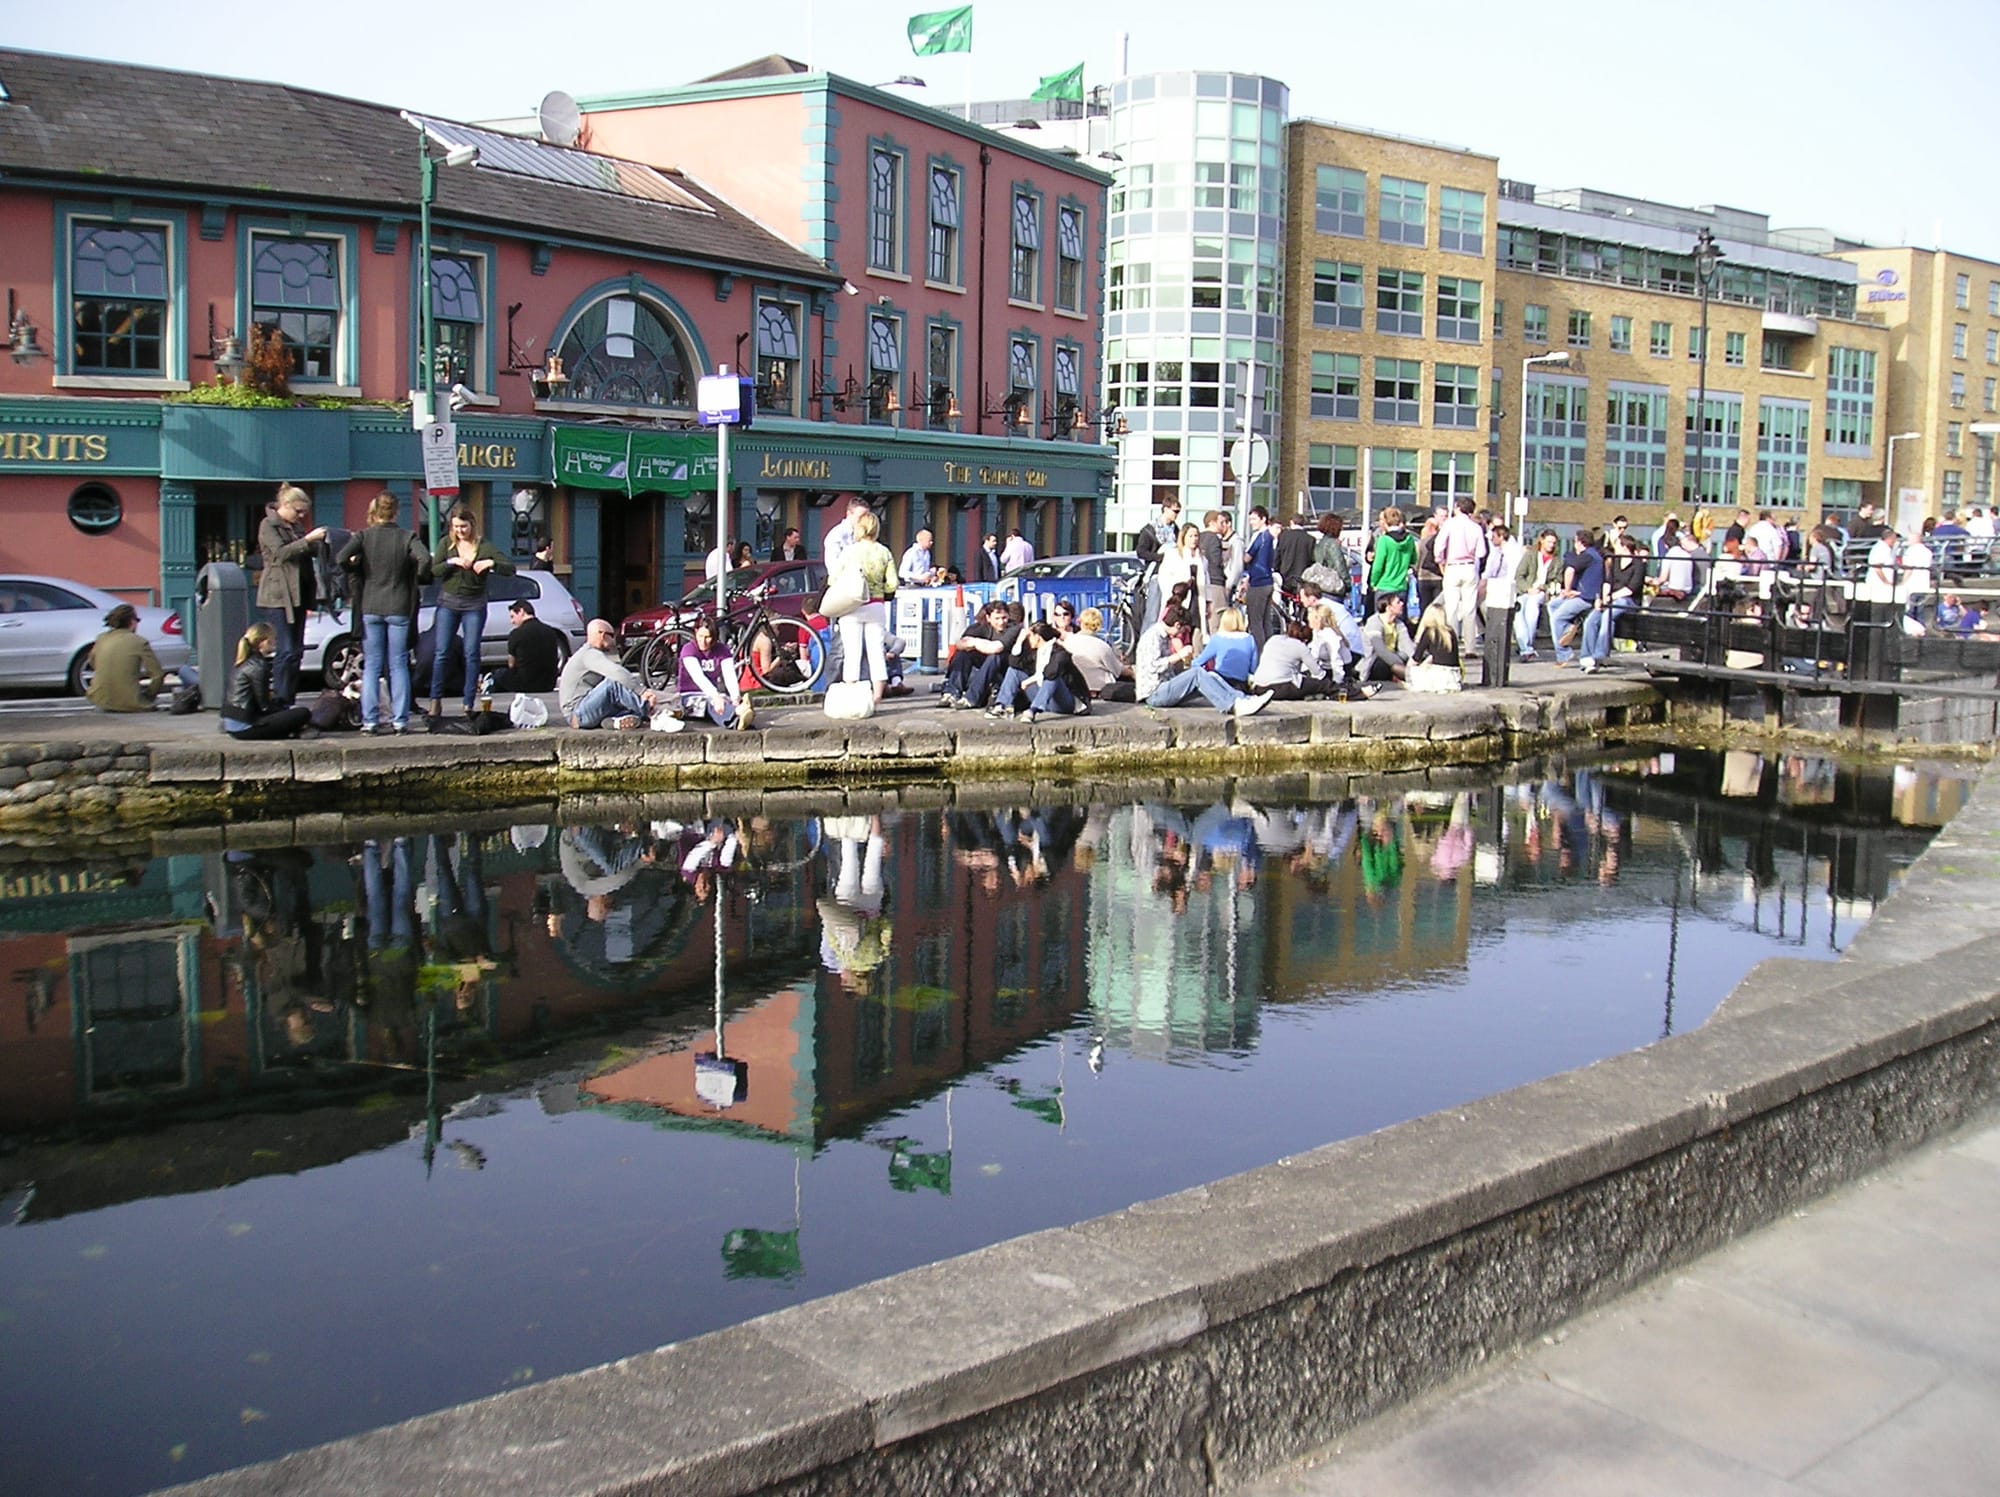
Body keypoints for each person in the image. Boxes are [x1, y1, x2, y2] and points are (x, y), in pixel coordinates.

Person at [337, 492, 432, 734]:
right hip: (399, 604)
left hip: (371, 603)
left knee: (372, 666)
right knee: (398, 663)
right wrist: (417, 576)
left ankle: (370, 720)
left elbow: (340, 558)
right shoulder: (406, 536)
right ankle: (400, 720)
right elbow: (423, 559)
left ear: (374, 511)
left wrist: (356, 565)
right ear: (396, 512)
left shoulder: (364, 536)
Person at [429, 507, 513, 718]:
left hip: (474, 604)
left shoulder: (484, 546)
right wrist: (452, 562)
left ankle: (468, 703)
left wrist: (491, 563)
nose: (460, 531)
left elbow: (509, 568)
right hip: (448, 602)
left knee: (471, 653)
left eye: (463, 527)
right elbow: (433, 570)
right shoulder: (445, 545)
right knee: (441, 652)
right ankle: (435, 700)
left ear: (472, 525)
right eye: (456, 527)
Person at [255, 483, 329, 706]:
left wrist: (328, 541)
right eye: (298, 511)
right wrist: (307, 540)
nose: (301, 516)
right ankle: (280, 700)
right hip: (278, 596)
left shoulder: (294, 527)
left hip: (298, 595)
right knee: (285, 650)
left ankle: (290, 699)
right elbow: (280, 553)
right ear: (284, 505)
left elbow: (307, 551)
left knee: (296, 652)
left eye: (304, 512)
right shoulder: (269, 525)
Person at [1136, 602, 1272, 716]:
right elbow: (1152, 667)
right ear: (1177, 625)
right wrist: (1179, 656)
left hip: (1164, 686)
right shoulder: (1152, 637)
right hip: (1154, 693)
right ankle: (1233, 706)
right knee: (1197, 674)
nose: (1181, 635)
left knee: (1210, 675)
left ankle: (1244, 699)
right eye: (1183, 631)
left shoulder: (1163, 637)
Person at [830, 508, 897, 707]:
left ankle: (852, 695)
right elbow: (892, 583)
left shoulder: (849, 551)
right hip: (876, 606)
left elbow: (834, 578)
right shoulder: (884, 552)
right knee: (876, 651)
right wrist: (882, 591)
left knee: (852, 651)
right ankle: (876, 697)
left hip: (852, 605)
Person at [558, 618, 658, 729]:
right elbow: (617, 672)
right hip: (577, 713)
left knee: (625, 700)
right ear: (602, 635)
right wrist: (641, 692)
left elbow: (622, 682)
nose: (613, 640)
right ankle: (652, 712)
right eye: (612, 636)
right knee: (613, 684)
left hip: (583, 712)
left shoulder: (594, 654)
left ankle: (612, 722)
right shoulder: (589, 654)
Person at [223, 621, 314, 739]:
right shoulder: (259, 666)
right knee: (303, 713)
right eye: (273, 639)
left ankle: (288, 731)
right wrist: (284, 710)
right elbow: (264, 706)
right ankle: (290, 731)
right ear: (263, 642)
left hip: (234, 722)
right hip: (246, 726)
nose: (275, 642)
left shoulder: (243, 662)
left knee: (286, 709)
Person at [1582, 532, 1647, 673]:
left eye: (1617, 545)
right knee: (1591, 620)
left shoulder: (1638, 565)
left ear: (1624, 547)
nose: (1614, 547)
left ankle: (1599, 655)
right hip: (1612, 599)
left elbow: (1631, 589)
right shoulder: (1615, 562)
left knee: (1608, 616)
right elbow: (1607, 581)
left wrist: (1611, 598)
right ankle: (1587, 657)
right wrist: (1603, 598)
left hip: (1628, 601)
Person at [85, 603, 166, 712]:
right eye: (137, 620)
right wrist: (149, 696)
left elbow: (93, 663)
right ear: (132, 622)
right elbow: (157, 675)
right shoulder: (139, 642)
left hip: (100, 699)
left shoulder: (101, 639)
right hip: (131, 703)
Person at [677, 616, 751, 729]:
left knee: (725, 700)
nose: (703, 641)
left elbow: (729, 675)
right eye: (700, 636)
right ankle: (736, 718)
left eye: (707, 637)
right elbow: (698, 677)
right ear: (696, 632)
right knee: (710, 704)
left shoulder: (722, 650)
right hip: (689, 695)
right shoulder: (688, 649)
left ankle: (739, 711)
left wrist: (735, 698)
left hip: (711, 694)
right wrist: (715, 696)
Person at [939, 599, 1016, 709]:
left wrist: (975, 642)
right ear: (988, 618)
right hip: (985, 668)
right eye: (997, 619)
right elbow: (960, 644)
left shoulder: (1013, 628)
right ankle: (952, 693)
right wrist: (981, 645)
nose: (1001, 622)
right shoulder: (980, 627)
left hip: (1005, 670)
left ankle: (971, 698)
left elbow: (997, 648)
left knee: (994, 657)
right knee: (963, 653)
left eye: (1004, 618)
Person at [1436, 495, 1486, 651]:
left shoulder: (1450, 524)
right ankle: (1470, 647)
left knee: (1451, 608)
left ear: (1457, 508)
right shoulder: (1476, 527)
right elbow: (1482, 552)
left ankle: (1452, 645)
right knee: (1469, 609)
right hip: (1470, 566)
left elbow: (1439, 546)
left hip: (1453, 566)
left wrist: (1441, 561)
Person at [1548, 528, 1604, 667]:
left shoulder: (1587, 556)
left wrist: (1567, 591)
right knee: (1552, 605)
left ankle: (1563, 653)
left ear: (1579, 542)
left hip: (1586, 598)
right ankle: (1569, 625)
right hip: (1584, 594)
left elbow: (1569, 570)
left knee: (1556, 618)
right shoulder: (1595, 555)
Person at [495, 597, 565, 693]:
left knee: (499, 674)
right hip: (548, 684)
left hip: (525, 684)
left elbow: (511, 664)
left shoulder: (516, 633)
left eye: (512, 616)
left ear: (521, 611)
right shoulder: (550, 631)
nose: (512, 621)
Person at [1251, 618, 1333, 700]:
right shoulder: (1300, 646)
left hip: (1259, 687)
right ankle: (1337, 692)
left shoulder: (1274, 639)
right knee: (1322, 685)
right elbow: (1317, 673)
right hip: (1280, 688)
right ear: (1305, 640)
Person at [1067, 607, 1134, 701]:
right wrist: (1133, 672)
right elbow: (1119, 671)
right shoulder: (1102, 646)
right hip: (1100, 688)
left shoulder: (1068, 641)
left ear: (1079, 622)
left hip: (1076, 688)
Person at [1192, 606, 1259, 691]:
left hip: (1221, 684)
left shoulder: (1218, 638)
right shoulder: (1250, 639)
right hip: (1241, 684)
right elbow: (1253, 668)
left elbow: (1199, 662)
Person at [1367, 507, 1416, 614]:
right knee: (1400, 621)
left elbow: (1378, 566)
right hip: (1401, 585)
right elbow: (1413, 559)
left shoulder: (1384, 540)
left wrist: (1373, 582)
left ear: (1385, 522)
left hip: (1384, 585)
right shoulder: (1410, 539)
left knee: (1383, 619)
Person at [1242, 507, 1277, 651]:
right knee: (1266, 622)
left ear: (1263, 519)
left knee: (1255, 622)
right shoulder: (1271, 537)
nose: (1251, 523)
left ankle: (1260, 657)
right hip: (1268, 581)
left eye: (1254, 519)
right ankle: (1271, 652)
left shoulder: (1259, 536)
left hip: (1258, 582)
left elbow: (1247, 557)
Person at [1362, 594, 1414, 683]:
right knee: (1385, 663)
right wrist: (1403, 665)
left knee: (1406, 656)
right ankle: (1413, 676)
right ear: (1389, 608)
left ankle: (1410, 675)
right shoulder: (1374, 622)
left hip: (1394, 657)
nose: (1402, 604)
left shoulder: (1399, 623)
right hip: (1375, 662)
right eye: (1398, 602)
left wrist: (1415, 660)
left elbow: (1407, 646)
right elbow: (1380, 651)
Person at [1273, 511, 1317, 596]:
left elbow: (1277, 557)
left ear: (1291, 522)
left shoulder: (1283, 536)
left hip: (1285, 576)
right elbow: (1312, 560)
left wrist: (1276, 570)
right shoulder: (1310, 539)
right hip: (1302, 577)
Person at [822, 497, 868, 577]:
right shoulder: (836, 535)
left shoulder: (866, 534)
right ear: (849, 514)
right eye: (861, 517)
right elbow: (833, 569)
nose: (864, 521)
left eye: (867, 517)